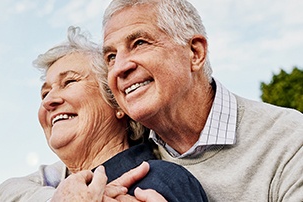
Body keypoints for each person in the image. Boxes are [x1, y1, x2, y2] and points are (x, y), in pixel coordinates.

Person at [100, 0, 303, 201]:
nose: (119, 68)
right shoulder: (126, 152)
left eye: (140, 43)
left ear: (195, 53)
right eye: (111, 56)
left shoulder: (291, 140)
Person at [0, 26, 208, 202]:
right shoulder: (46, 186)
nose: (48, 101)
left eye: (69, 82)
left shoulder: (158, 180)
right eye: (45, 93)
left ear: (118, 104)